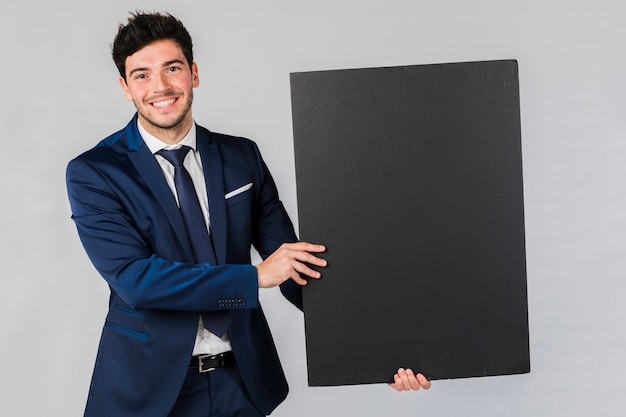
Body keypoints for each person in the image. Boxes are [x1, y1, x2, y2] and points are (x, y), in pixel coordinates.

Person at [66, 11, 430, 417]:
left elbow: (296, 266)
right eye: (142, 75)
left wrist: (389, 349)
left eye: (172, 68)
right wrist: (255, 277)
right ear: (125, 88)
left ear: (194, 73)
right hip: (147, 391)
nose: (161, 87)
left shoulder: (242, 157)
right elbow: (138, 280)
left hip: (242, 383)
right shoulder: (95, 172)